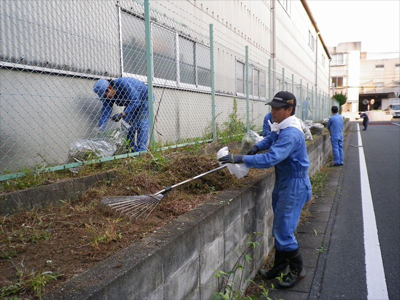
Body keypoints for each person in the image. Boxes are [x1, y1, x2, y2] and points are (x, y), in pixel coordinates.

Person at [219, 91, 312, 289]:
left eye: (277, 108)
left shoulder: (292, 133)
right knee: (280, 226)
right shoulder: (282, 127)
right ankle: (279, 267)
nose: (273, 112)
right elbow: (270, 139)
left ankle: (298, 270)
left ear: (289, 109)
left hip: (294, 185)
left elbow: (272, 158)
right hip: (284, 182)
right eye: (272, 108)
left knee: (284, 230)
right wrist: (256, 147)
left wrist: (243, 159)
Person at [93, 77, 150, 152]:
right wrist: (101, 128)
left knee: (141, 124)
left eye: (105, 95)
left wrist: (122, 114)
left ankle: (141, 150)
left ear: (109, 88)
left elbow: (136, 101)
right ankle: (130, 148)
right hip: (132, 102)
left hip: (144, 98)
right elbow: (105, 112)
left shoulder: (122, 84)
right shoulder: (108, 96)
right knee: (126, 124)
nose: (106, 98)